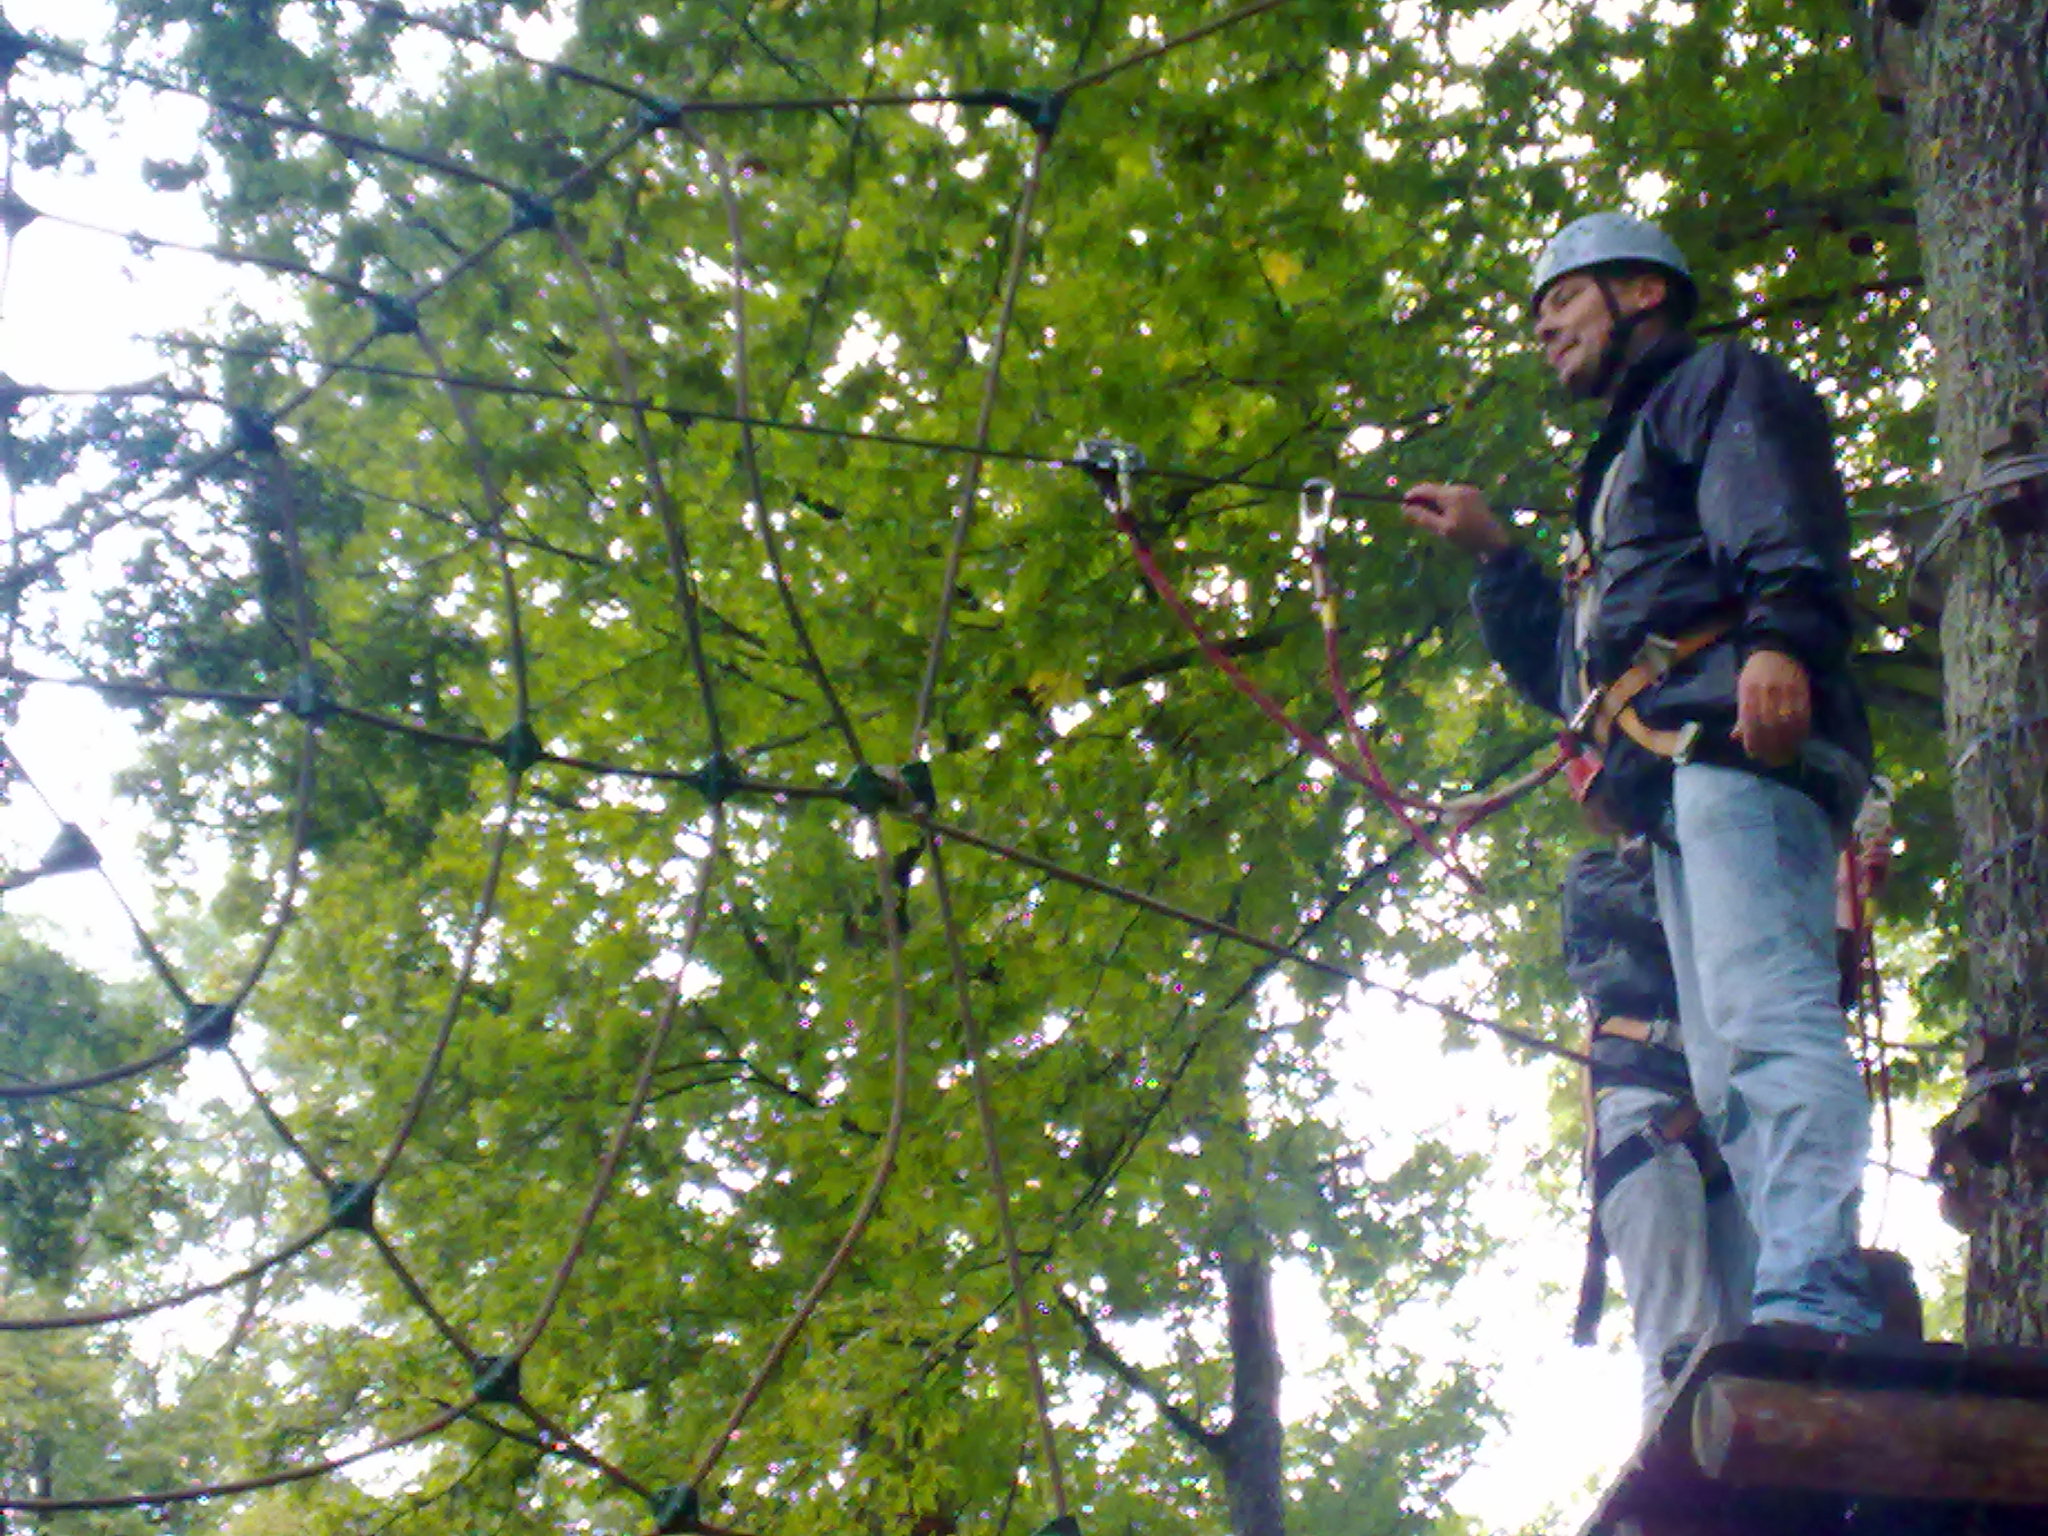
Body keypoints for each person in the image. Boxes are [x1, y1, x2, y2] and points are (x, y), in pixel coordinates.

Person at [1403, 211, 1881, 1342]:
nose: (1543, 331)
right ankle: (1790, 1288)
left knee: (1766, 1017)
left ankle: (1813, 1282)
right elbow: (1572, 676)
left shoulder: (1712, 385)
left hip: (1738, 734)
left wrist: (1778, 634)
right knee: (1719, 1069)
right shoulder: (1617, 474)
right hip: (1677, 771)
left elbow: (1774, 506)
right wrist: (1501, 561)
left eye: (1559, 302)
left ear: (1640, 293)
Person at [1564, 844, 1751, 1423]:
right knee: (1679, 1344)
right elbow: (1665, 911)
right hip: (1644, 1108)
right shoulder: (1597, 874)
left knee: (1754, 1341)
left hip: (1720, 1115)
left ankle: (1755, 1498)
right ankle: (1677, 1500)